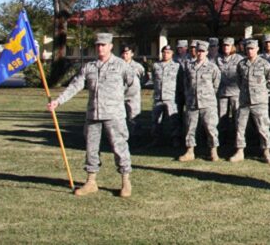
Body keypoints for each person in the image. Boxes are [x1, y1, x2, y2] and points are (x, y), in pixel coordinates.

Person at [47, 33, 136, 197]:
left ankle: (125, 181)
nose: (100, 48)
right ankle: (91, 181)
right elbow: (75, 86)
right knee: (91, 148)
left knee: (120, 148)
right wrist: (58, 101)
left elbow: (133, 87)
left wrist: (130, 108)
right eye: (97, 45)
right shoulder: (89, 67)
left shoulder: (122, 66)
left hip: (114, 115)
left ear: (110, 46)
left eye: (103, 45)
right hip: (93, 115)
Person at [229, 39, 270, 163]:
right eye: (248, 49)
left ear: (257, 49)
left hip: (259, 101)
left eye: (252, 49)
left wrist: (263, 91)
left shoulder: (264, 64)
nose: (250, 51)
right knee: (240, 127)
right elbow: (238, 80)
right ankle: (239, 151)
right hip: (244, 101)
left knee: (263, 128)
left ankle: (266, 152)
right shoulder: (241, 64)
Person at [179, 41, 222, 162]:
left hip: (208, 103)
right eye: (198, 51)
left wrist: (208, 95)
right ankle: (190, 151)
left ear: (207, 52)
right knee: (190, 128)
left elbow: (216, 85)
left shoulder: (212, 67)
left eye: (203, 51)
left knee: (211, 128)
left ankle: (213, 151)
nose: (200, 53)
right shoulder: (189, 66)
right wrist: (189, 96)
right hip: (192, 102)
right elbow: (186, 83)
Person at [151, 44, 181, 147]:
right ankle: (156, 139)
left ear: (172, 54)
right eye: (164, 52)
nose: (165, 54)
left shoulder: (176, 66)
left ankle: (175, 139)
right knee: (156, 120)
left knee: (173, 120)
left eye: (168, 53)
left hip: (171, 97)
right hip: (158, 97)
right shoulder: (156, 65)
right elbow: (154, 79)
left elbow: (180, 82)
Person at [216, 37, 242, 145]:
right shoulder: (218, 59)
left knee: (237, 116)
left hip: (235, 92)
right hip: (222, 92)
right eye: (224, 45)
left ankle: (238, 139)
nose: (225, 47)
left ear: (232, 47)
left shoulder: (239, 59)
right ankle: (223, 139)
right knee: (221, 116)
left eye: (228, 45)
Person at [121, 45, 145, 139]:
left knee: (134, 117)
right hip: (120, 95)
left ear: (132, 54)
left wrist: (136, 87)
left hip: (133, 97)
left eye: (127, 53)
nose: (125, 55)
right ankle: (122, 137)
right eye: (123, 53)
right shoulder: (117, 65)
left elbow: (144, 78)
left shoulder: (138, 67)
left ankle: (136, 137)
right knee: (120, 117)